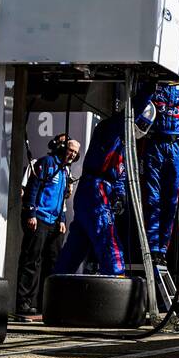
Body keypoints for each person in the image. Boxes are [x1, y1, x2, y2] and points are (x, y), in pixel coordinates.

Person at [56, 113, 141, 276]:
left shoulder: (121, 145)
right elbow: (132, 108)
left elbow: (120, 174)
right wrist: (149, 91)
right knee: (110, 244)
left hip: (96, 192)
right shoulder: (110, 128)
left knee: (75, 248)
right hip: (96, 190)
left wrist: (120, 195)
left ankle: (57, 290)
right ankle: (117, 282)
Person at [140, 82, 179, 265]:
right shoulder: (155, 82)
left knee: (171, 201)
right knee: (152, 199)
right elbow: (137, 107)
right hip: (154, 144)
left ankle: (162, 250)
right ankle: (152, 247)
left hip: (176, 147)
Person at [15, 135, 79, 317]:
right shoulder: (46, 163)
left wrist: (62, 219)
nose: (72, 155)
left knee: (53, 264)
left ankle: (46, 305)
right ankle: (24, 304)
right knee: (31, 261)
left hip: (55, 222)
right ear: (61, 148)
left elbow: (61, 199)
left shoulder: (66, 171)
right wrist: (31, 213)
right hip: (39, 219)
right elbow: (32, 188)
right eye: (70, 150)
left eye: (75, 153)